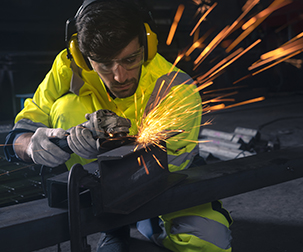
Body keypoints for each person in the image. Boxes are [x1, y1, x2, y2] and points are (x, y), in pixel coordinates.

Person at [4, 0, 232, 251]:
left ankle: (145, 221)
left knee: (208, 244)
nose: (120, 76)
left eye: (130, 59)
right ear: (82, 56)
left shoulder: (175, 88)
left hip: (167, 183)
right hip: (97, 189)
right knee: (65, 108)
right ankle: (111, 224)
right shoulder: (69, 66)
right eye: (104, 64)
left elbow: (167, 166)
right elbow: (22, 130)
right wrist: (30, 145)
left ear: (147, 45)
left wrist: (113, 143)